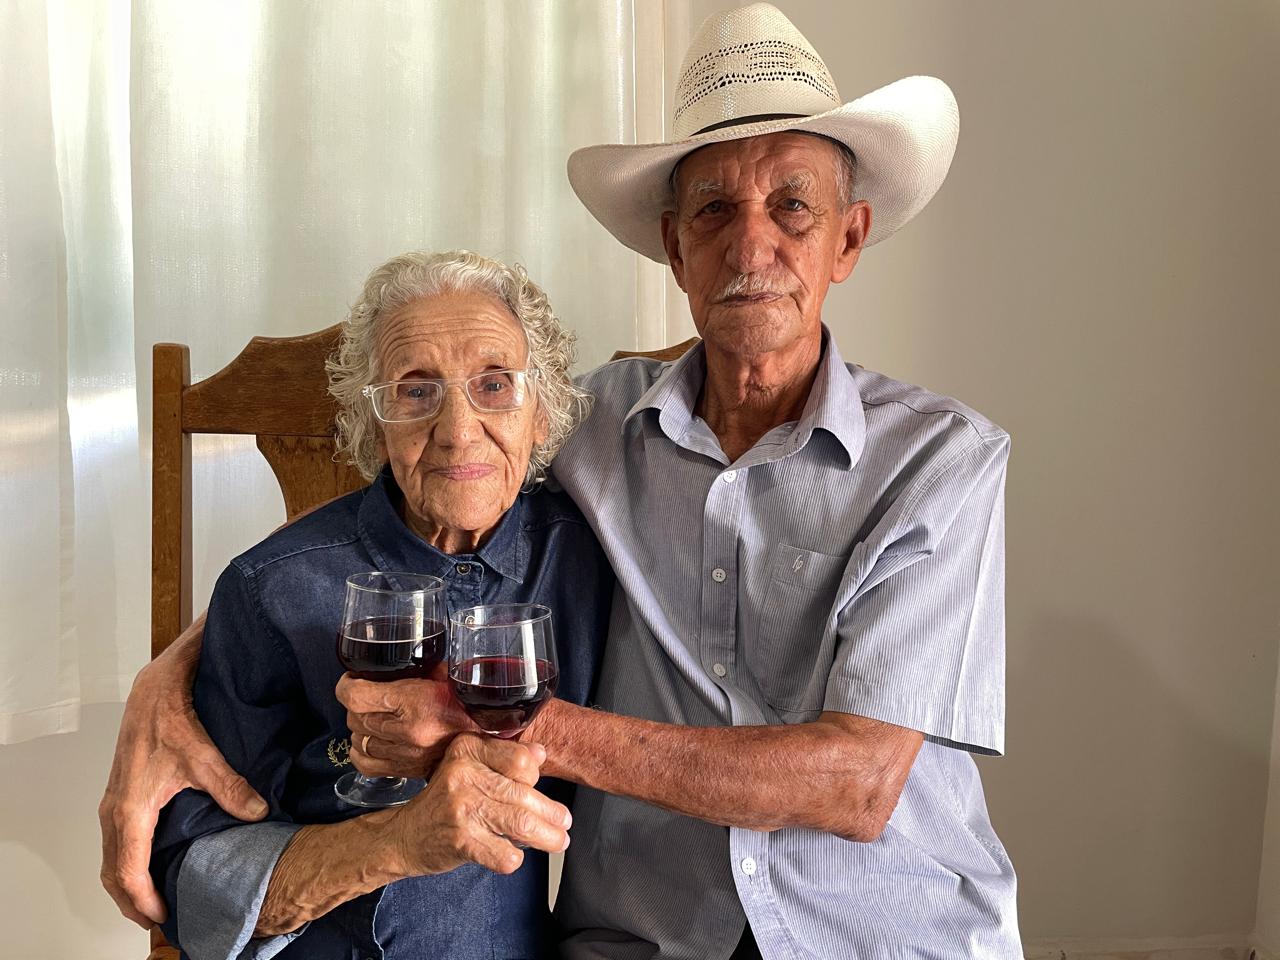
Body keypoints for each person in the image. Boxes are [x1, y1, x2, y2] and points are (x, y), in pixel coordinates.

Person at [103, 5, 1022, 957]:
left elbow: (857, 785)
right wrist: (170, 679)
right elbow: (433, 487)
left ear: (849, 237)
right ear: (674, 248)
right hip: (650, 932)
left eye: (793, 204)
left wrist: (491, 721)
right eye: (713, 209)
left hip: (881, 925)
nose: (752, 246)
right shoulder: (585, 423)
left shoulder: (941, 462)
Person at [146, 249, 612, 959]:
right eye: (415, 391)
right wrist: (397, 843)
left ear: (541, 412)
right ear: (375, 425)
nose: (458, 429)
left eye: (494, 384)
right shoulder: (270, 588)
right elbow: (189, 879)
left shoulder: (595, 558)